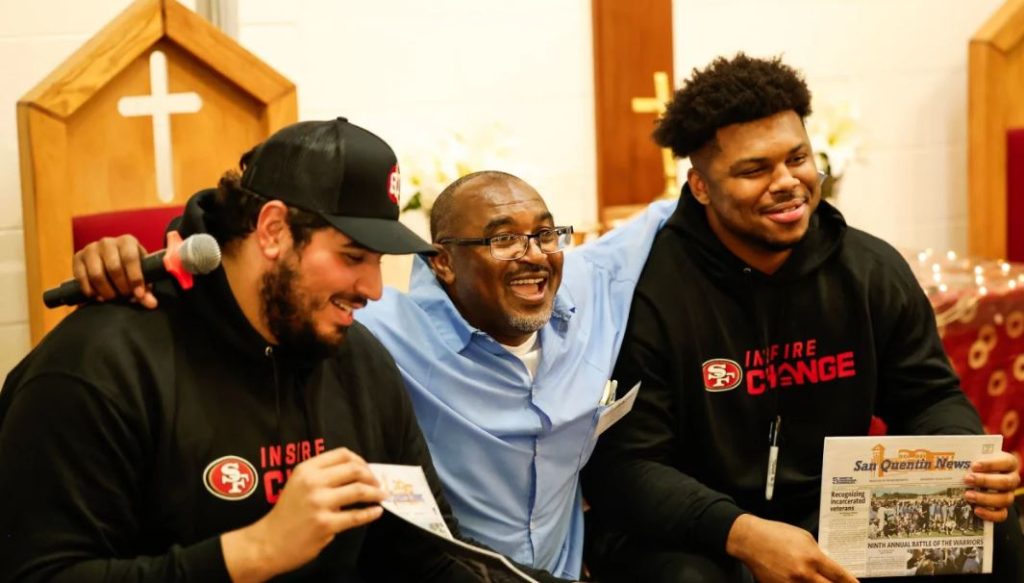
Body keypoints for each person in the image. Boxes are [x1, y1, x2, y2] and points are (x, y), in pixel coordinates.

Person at [0, 118, 566, 582]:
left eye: (378, 260)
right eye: (351, 256)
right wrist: (252, 552)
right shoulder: (99, 367)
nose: (372, 288)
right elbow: (40, 576)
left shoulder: (357, 361)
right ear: (272, 230)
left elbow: (429, 554)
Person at [65, 173, 675, 578]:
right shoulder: (375, 327)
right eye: (502, 240)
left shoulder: (591, 288)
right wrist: (147, 258)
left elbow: (683, 204)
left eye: (543, 234)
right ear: (441, 264)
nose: (534, 253)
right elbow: (256, 278)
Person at [580, 54, 1024, 583]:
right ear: (700, 186)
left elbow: (928, 397)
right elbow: (624, 468)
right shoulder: (646, 291)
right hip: (693, 530)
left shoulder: (868, 270)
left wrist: (965, 463)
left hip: (832, 512)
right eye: (754, 169)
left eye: (797, 158)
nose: (787, 182)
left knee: (988, 524)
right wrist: (743, 533)